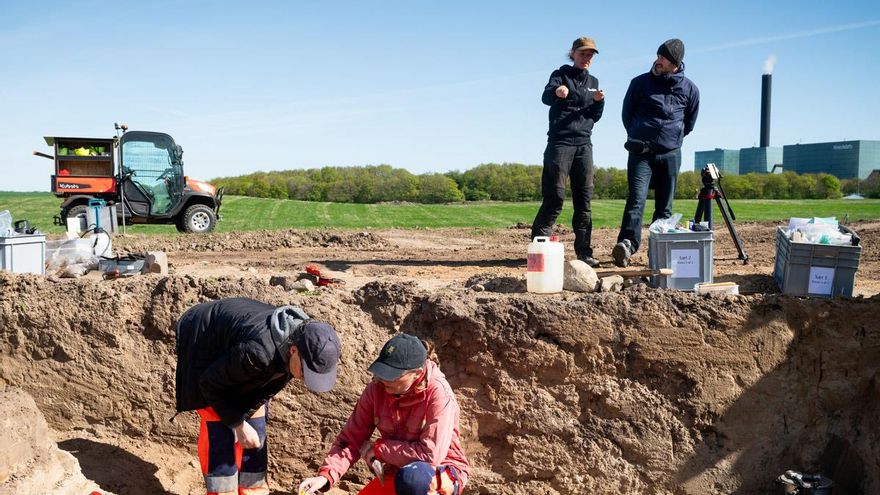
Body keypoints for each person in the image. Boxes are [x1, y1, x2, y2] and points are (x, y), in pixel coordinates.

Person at [175, 297, 341, 495]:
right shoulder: (259, 352)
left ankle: (253, 490)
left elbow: (266, 389)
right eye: (305, 372)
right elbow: (209, 384)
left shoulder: (303, 344)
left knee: (256, 429)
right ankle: (223, 492)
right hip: (205, 340)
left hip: (239, 356)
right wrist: (237, 423)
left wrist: (245, 419)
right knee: (219, 427)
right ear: (294, 351)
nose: (304, 379)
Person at [298, 333, 469, 495]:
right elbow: (351, 439)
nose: (385, 379)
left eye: (393, 375)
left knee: (413, 479)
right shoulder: (376, 389)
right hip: (396, 472)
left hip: (438, 473)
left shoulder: (439, 393)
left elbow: (430, 456)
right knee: (406, 478)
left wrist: (380, 450)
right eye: (383, 372)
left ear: (417, 372)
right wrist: (326, 476)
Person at [613, 38, 700, 267]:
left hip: (671, 155)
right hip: (641, 153)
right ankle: (627, 245)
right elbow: (627, 114)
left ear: (675, 63)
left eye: (663, 57)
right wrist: (638, 135)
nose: (657, 60)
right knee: (636, 199)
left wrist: (672, 138)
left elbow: (689, 122)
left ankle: (658, 250)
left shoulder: (690, 88)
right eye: (658, 55)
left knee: (665, 206)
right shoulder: (640, 83)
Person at [531, 36, 606, 268]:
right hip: (560, 143)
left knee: (584, 199)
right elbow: (545, 98)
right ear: (572, 53)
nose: (587, 58)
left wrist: (599, 102)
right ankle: (539, 248)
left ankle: (584, 252)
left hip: (584, 144)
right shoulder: (560, 74)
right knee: (555, 196)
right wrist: (557, 92)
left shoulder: (593, 81)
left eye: (590, 55)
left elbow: (595, 116)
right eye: (583, 54)